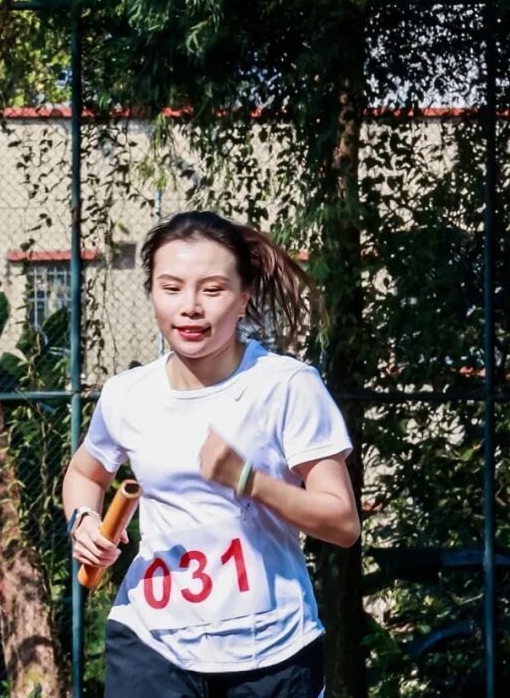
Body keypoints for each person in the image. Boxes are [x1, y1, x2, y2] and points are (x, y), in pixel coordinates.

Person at [63, 211, 360, 697]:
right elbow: (85, 473)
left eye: (213, 290)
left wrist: (249, 480)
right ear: (152, 293)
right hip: (152, 641)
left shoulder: (287, 386)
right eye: (171, 288)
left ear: (244, 298)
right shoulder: (127, 394)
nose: (190, 307)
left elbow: (342, 523)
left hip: (273, 649)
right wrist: (83, 521)